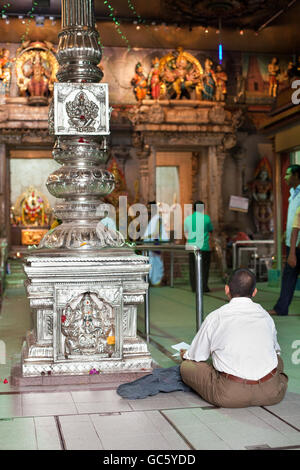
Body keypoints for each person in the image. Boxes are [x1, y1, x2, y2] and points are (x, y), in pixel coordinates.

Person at [180, 268, 288, 408]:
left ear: (226, 289)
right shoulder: (266, 316)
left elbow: (197, 356)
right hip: (272, 393)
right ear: (254, 292)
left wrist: (185, 355)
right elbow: (276, 351)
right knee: (278, 360)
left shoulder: (216, 317)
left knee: (187, 366)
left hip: (230, 394)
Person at [269, 164, 300, 315]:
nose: (285, 177)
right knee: (289, 276)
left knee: (289, 275)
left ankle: (281, 308)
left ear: (296, 175)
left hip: (297, 244)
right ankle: (281, 308)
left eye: (288, 174)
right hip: (292, 243)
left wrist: (294, 250)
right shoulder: (293, 193)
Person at [184, 201, 213, 293]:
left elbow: (186, 233)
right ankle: (203, 287)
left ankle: (194, 287)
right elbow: (211, 231)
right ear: (203, 208)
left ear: (193, 208)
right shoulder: (206, 218)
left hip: (192, 247)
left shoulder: (188, 219)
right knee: (204, 268)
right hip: (204, 247)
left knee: (193, 268)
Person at [143, 201, 169, 286]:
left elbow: (156, 232)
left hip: (154, 243)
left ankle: (157, 281)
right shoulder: (153, 219)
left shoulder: (158, 218)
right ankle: (152, 280)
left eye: (149, 208)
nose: (148, 210)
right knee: (152, 262)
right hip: (149, 244)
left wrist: (146, 237)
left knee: (156, 262)